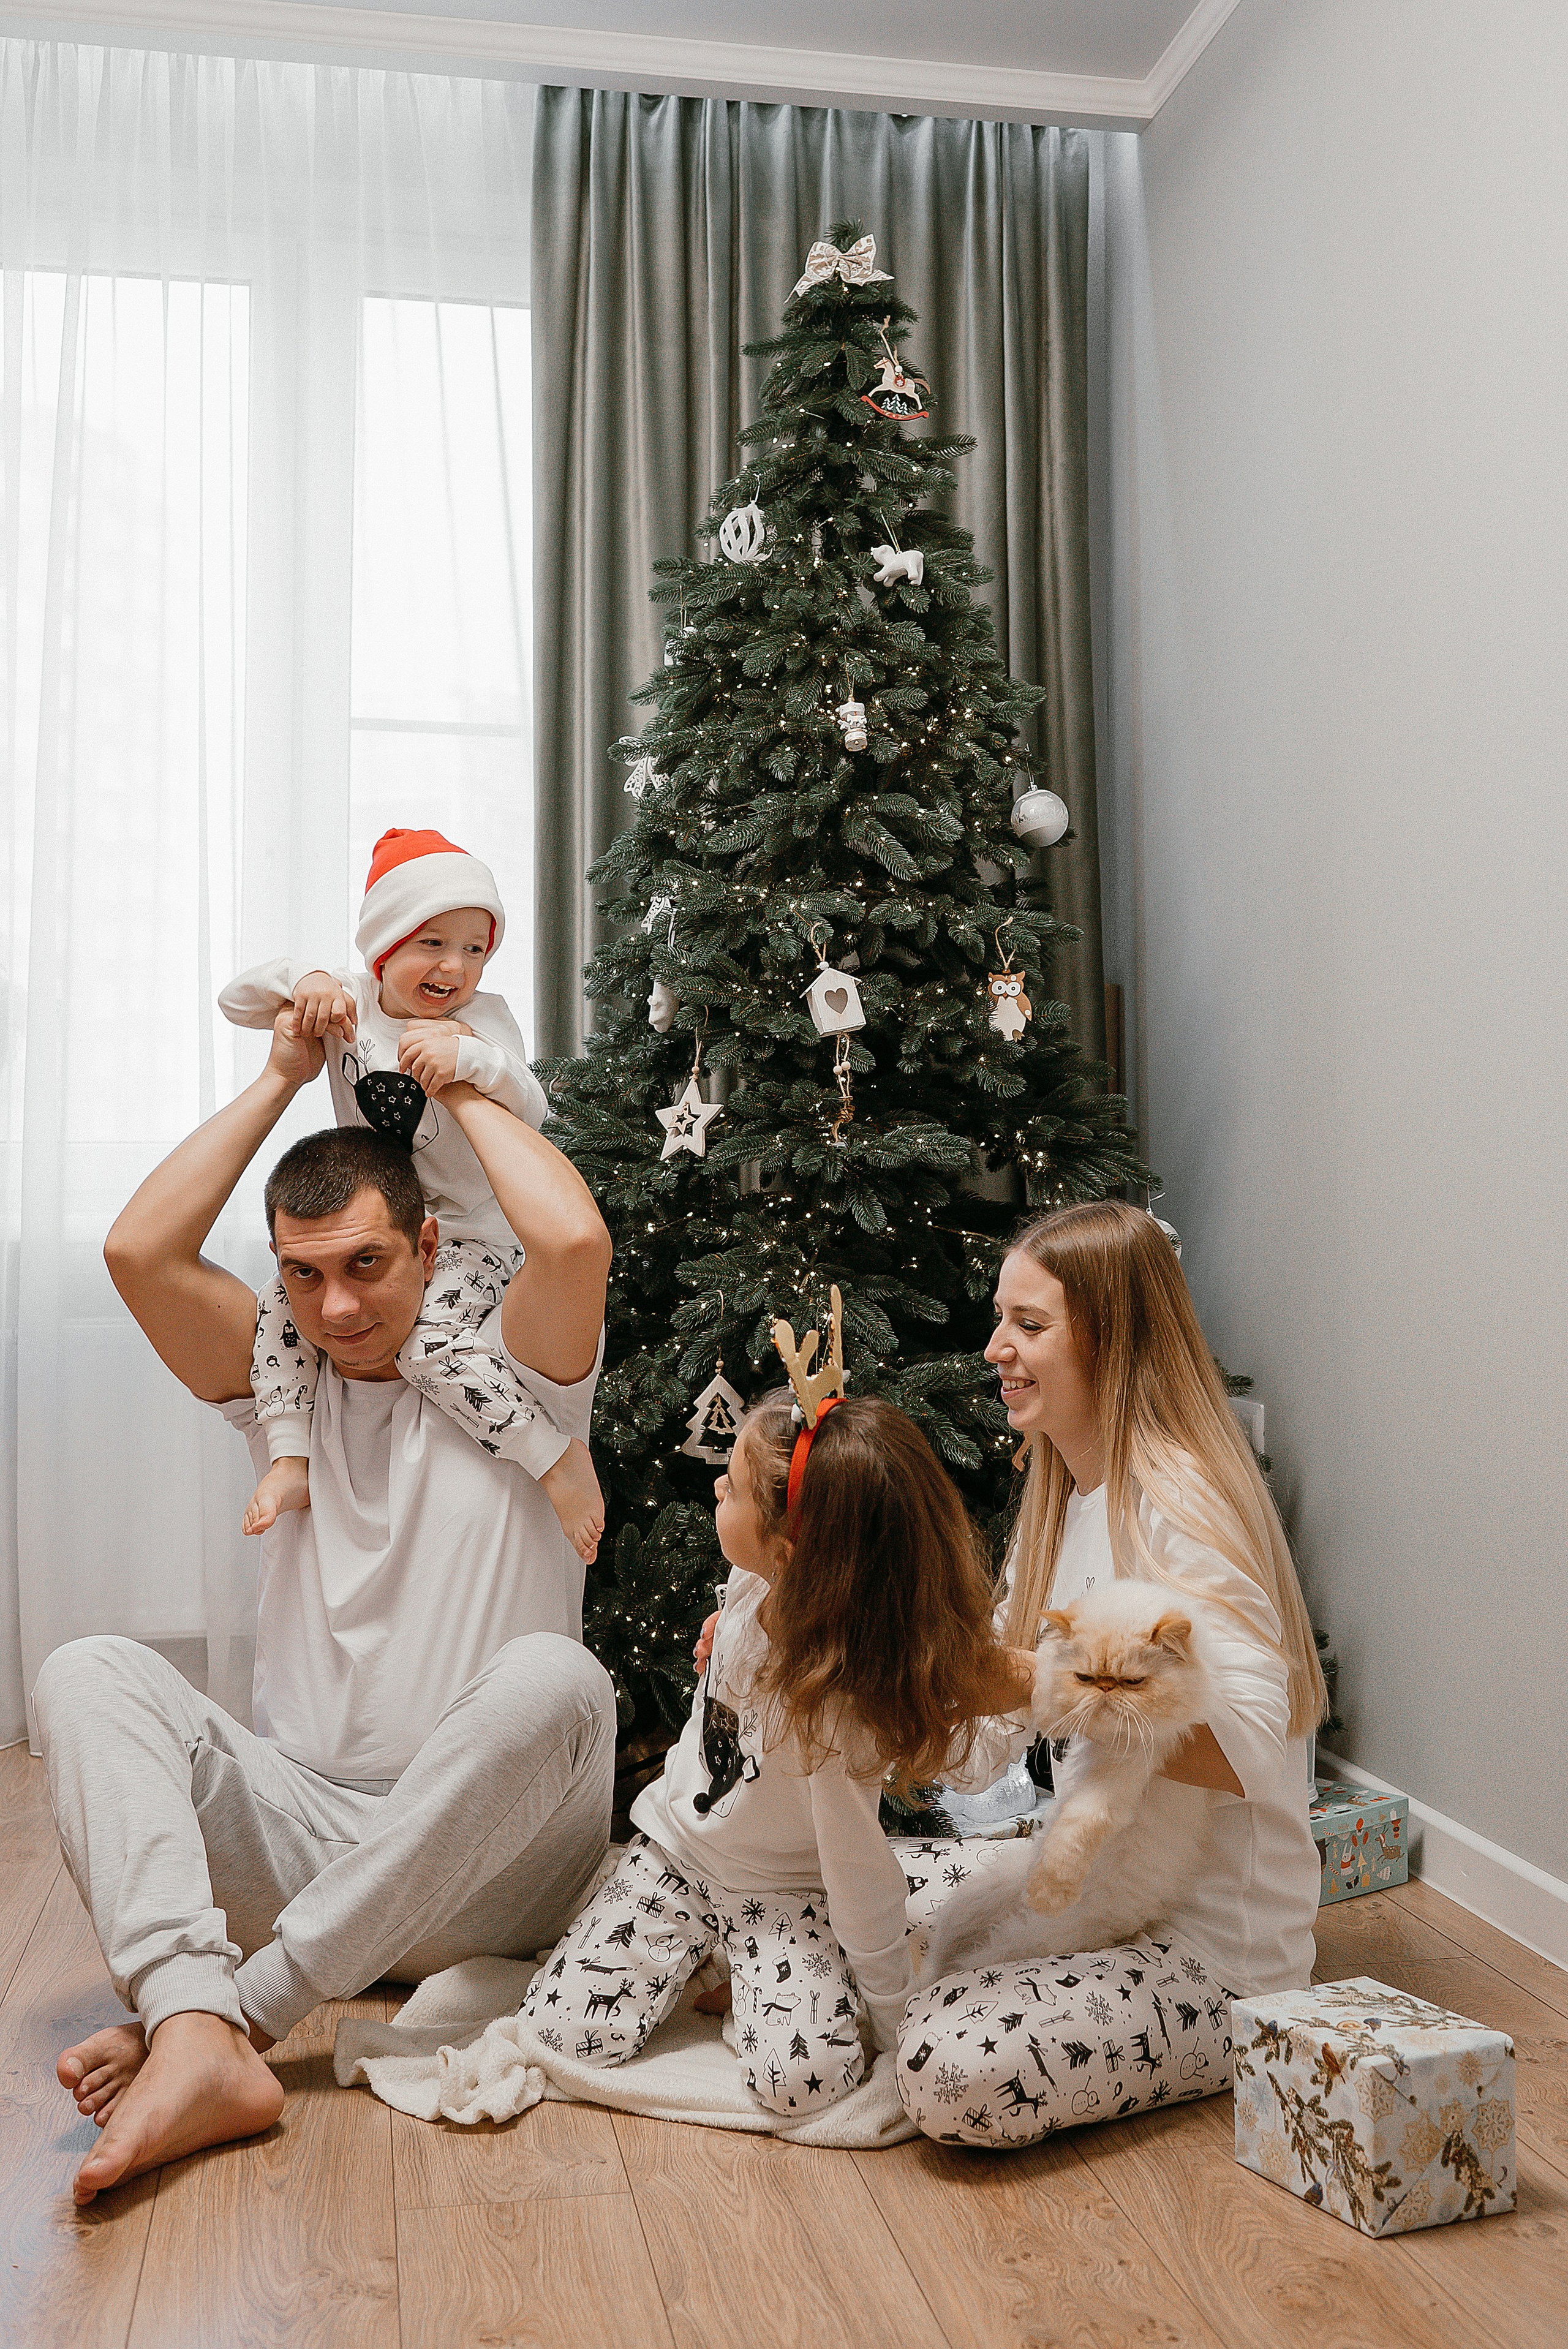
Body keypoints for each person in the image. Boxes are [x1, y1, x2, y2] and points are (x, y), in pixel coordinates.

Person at [32, 1000, 617, 2204]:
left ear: (431, 1250)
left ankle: (226, 2021)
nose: (337, 1307)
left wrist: (452, 1088)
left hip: (493, 1873)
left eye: (366, 1265)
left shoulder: (520, 1370)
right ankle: (195, 2021)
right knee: (85, 1667)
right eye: (303, 1275)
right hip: (304, 1848)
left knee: (561, 1681)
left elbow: (573, 1244)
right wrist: (282, 1075)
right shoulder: (277, 1383)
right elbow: (140, 1253)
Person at [897, 1199, 1326, 2148]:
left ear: (1114, 1341)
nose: (993, 1346)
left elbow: (1257, 1752)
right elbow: (984, 1755)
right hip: (1093, 1894)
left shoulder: (1183, 1504)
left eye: (1029, 1324)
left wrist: (1035, 1683)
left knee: (943, 2067)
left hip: (1209, 1960)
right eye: (1001, 1316)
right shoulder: (1062, 1503)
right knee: (849, 1890)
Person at [522, 1389, 1012, 2114]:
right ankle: (700, 1958)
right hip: (676, 1853)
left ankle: (745, 1974)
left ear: (789, 1555)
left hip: (783, 1896)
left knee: (805, 2084)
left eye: (732, 1487)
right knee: (565, 2031)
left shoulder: (836, 1714)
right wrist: (729, 1629)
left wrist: (890, 2016)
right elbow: (752, 1634)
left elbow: (857, 1875)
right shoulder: (754, 1579)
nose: (716, 1484)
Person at [219, 825, 604, 1562]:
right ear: (384, 947)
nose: (455, 966)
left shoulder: (481, 1020)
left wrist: (472, 1062)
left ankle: (553, 1458)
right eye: (433, 943)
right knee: (276, 1307)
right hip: (378, 1229)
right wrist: (303, 982)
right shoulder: (350, 1002)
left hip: (473, 1238)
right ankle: (292, 1458)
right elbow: (237, 1000)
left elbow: (532, 1106)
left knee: (430, 1346)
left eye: (474, 948)